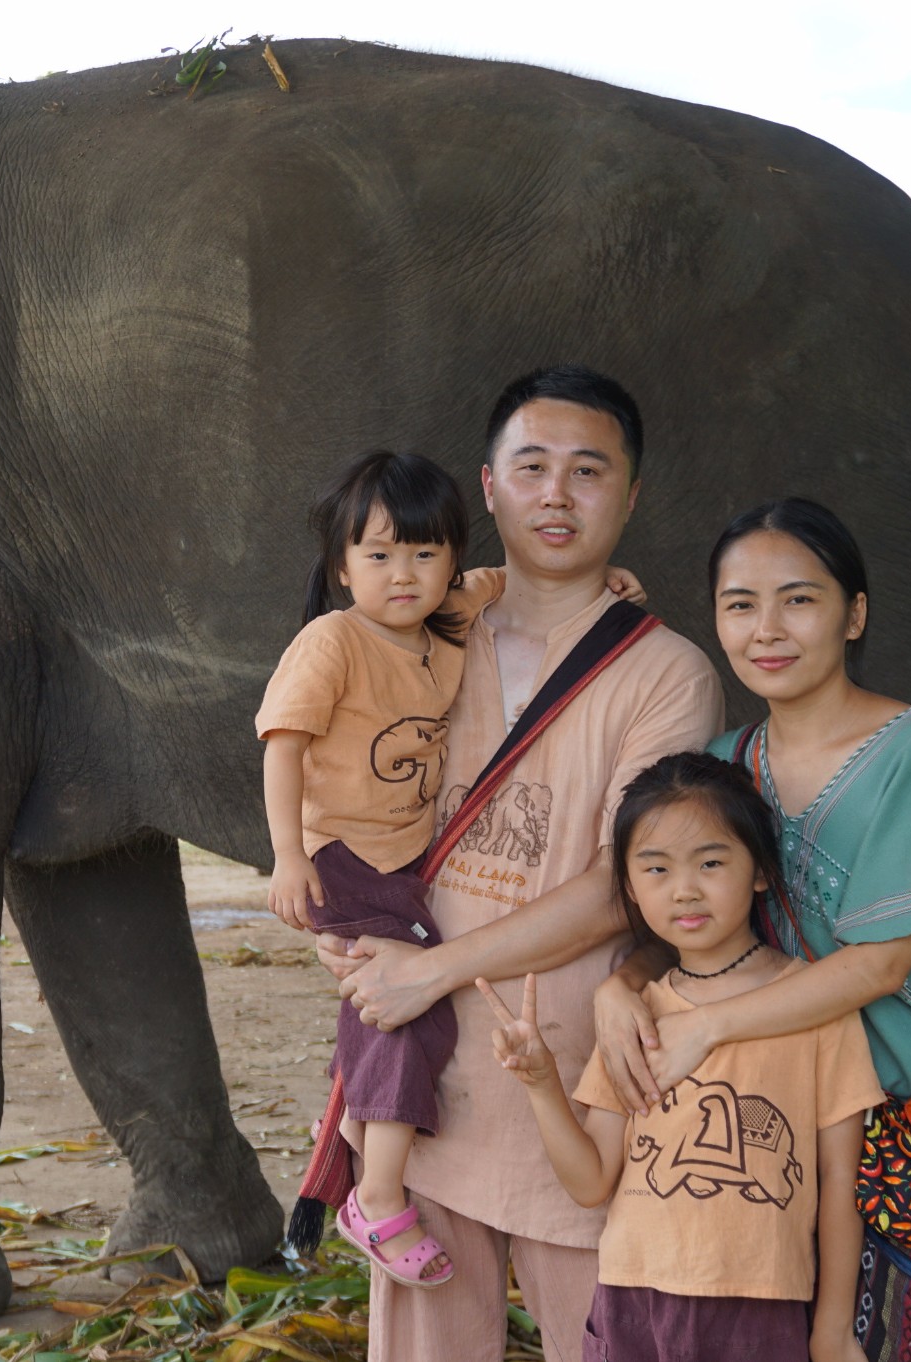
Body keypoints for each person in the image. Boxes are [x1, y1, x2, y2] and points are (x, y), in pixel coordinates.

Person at [590, 497, 911, 1362]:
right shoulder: (728, 764)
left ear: (854, 614)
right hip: (772, 1130)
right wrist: (618, 989)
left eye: (799, 599)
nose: (766, 629)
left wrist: (706, 1025)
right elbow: (687, 918)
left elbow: (882, 964)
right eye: (740, 604)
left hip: (910, 1131)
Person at [313, 366, 724, 1360]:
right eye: (530, 466)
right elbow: (340, 786)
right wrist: (345, 925)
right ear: (487, 489)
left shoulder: (668, 674)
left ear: (630, 496)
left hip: (574, 1097)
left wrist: (428, 971)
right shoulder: (412, 632)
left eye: (588, 471)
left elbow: (627, 887)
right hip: (421, 1094)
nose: (556, 493)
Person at [257, 448, 645, 1288]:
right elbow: (282, 744)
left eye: (425, 554)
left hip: (400, 866)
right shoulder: (334, 641)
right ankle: (378, 1194)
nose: (405, 574)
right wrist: (288, 856)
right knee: (405, 1012)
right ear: (341, 567)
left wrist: (608, 581)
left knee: (399, 1003)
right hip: (342, 856)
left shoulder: (450, 617)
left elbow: (510, 578)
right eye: (380, 555)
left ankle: (366, 1172)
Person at [480, 750, 881, 1362]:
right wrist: (540, 1084)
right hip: (632, 1300)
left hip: (762, 1303)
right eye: (656, 869)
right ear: (632, 890)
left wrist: (832, 1327)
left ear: (760, 871)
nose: (685, 889)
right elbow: (591, 1182)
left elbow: (838, 1181)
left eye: (712, 862)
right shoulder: (635, 1017)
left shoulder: (815, 1006)